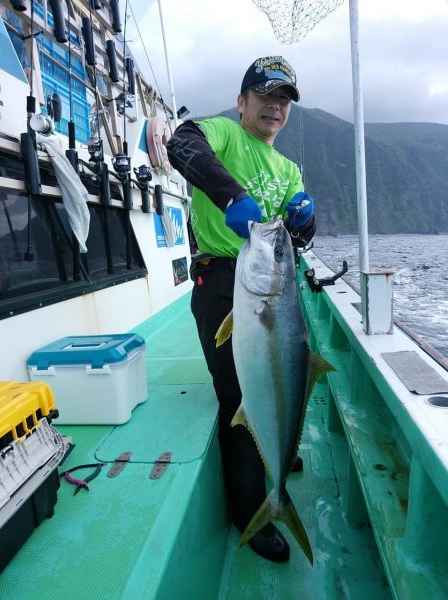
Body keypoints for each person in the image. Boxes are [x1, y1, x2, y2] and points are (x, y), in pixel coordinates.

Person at [167, 56, 316, 562]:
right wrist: (230, 197)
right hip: (224, 278)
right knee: (239, 394)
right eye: (265, 96)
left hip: (272, 280)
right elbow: (180, 142)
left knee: (287, 377)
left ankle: (275, 450)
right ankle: (252, 508)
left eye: (283, 100)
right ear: (242, 101)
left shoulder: (289, 167)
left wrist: (306, 217)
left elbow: (299, 235)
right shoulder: (225, 137)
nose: (274, 107)